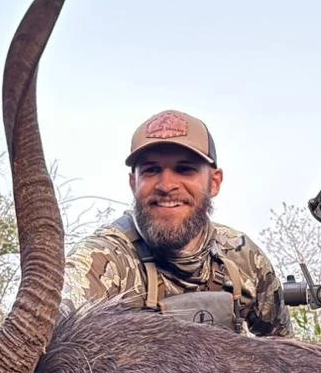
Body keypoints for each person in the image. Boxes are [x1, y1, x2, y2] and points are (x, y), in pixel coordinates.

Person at [62, 110, 292, 337]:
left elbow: (285, 353)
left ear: (214, 182)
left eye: (184, 169)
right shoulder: (102, 259)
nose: (166, 185)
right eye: (151, 170)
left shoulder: (243, 257)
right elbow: (53, 323)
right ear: (134, 183)